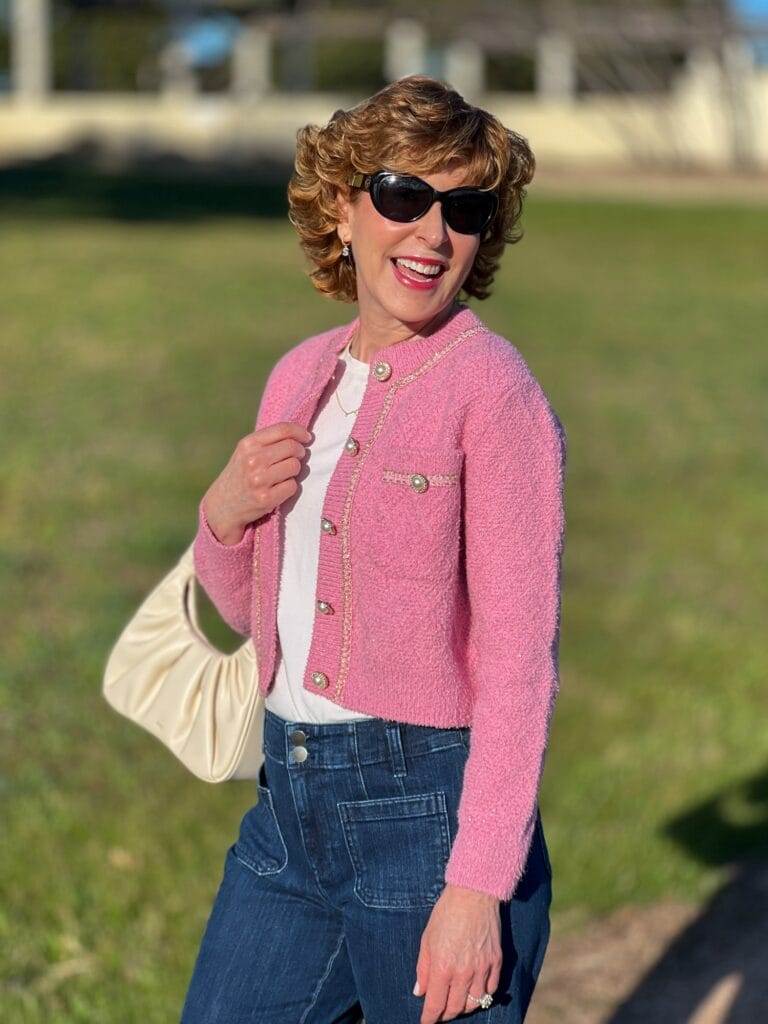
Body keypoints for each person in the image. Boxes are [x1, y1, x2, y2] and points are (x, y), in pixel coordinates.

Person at [180, 74, 566, 1024]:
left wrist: (477, 888)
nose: (433, 235)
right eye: (404, 196)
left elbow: (519, 662)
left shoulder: (494, 392)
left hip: (428, 819)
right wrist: (222, 516)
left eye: (465, 209)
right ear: (343, 209)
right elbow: (253, 612)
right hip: (287, 811)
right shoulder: (299, 375)